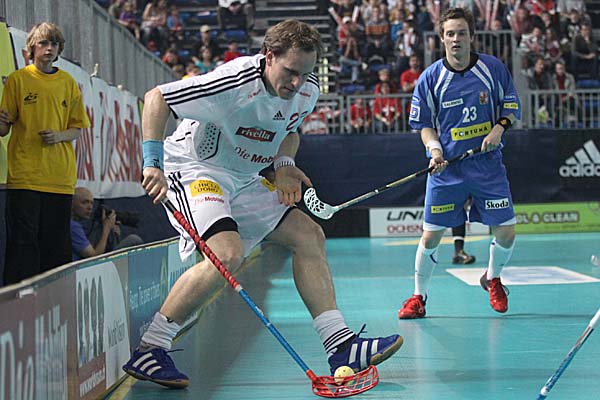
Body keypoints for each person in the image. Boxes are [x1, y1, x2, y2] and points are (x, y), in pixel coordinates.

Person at [122, 19, 403, 388]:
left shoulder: (306, 90)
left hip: (243, 176)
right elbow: (157, 98)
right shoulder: (234, 81)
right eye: (290, 72)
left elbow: (289, 131)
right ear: (269, 56)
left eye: (305, 73)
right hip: (195, 168)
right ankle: (151, 348)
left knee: (308, 235)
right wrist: (152, 163)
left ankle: (341, 346)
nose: (297, 83)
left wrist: (284, 165)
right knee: (226, 254)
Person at [398, 7, 521, 319]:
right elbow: (424, 125)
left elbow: (510, 106)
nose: (456, 39)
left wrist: (498, 128)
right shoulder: (430, 79)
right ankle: (418, 297)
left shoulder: (493, 69)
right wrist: (434, 150)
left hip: (487, 166)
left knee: (506, 232)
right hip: (447, 169)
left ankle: (493, 278)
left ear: (472, 36)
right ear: (442, 38)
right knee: (431, 236)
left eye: (461, 33)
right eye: (450, 33)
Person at [0, 22, 90, 285]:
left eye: (54, 44)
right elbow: (4, 129)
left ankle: (55, 298)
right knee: (22, 246)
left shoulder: (68, 83)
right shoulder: (17, 80)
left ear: (59, 49)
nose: (49, 48)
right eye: (43, 43)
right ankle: (19, 300)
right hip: (25, 177)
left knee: (56, 247)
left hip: (59, 179)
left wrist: (58, 136)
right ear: (32, 47)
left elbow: (77, 129)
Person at [71, 187, 143, 260]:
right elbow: (93, 257)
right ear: (72, 203)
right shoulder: (73, 226)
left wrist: (114, 233)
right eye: (84, 202)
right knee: (134, 239)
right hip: (85, 265)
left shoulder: (75, 225)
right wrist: (106, 229)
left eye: (91, 203)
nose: (89, 207)